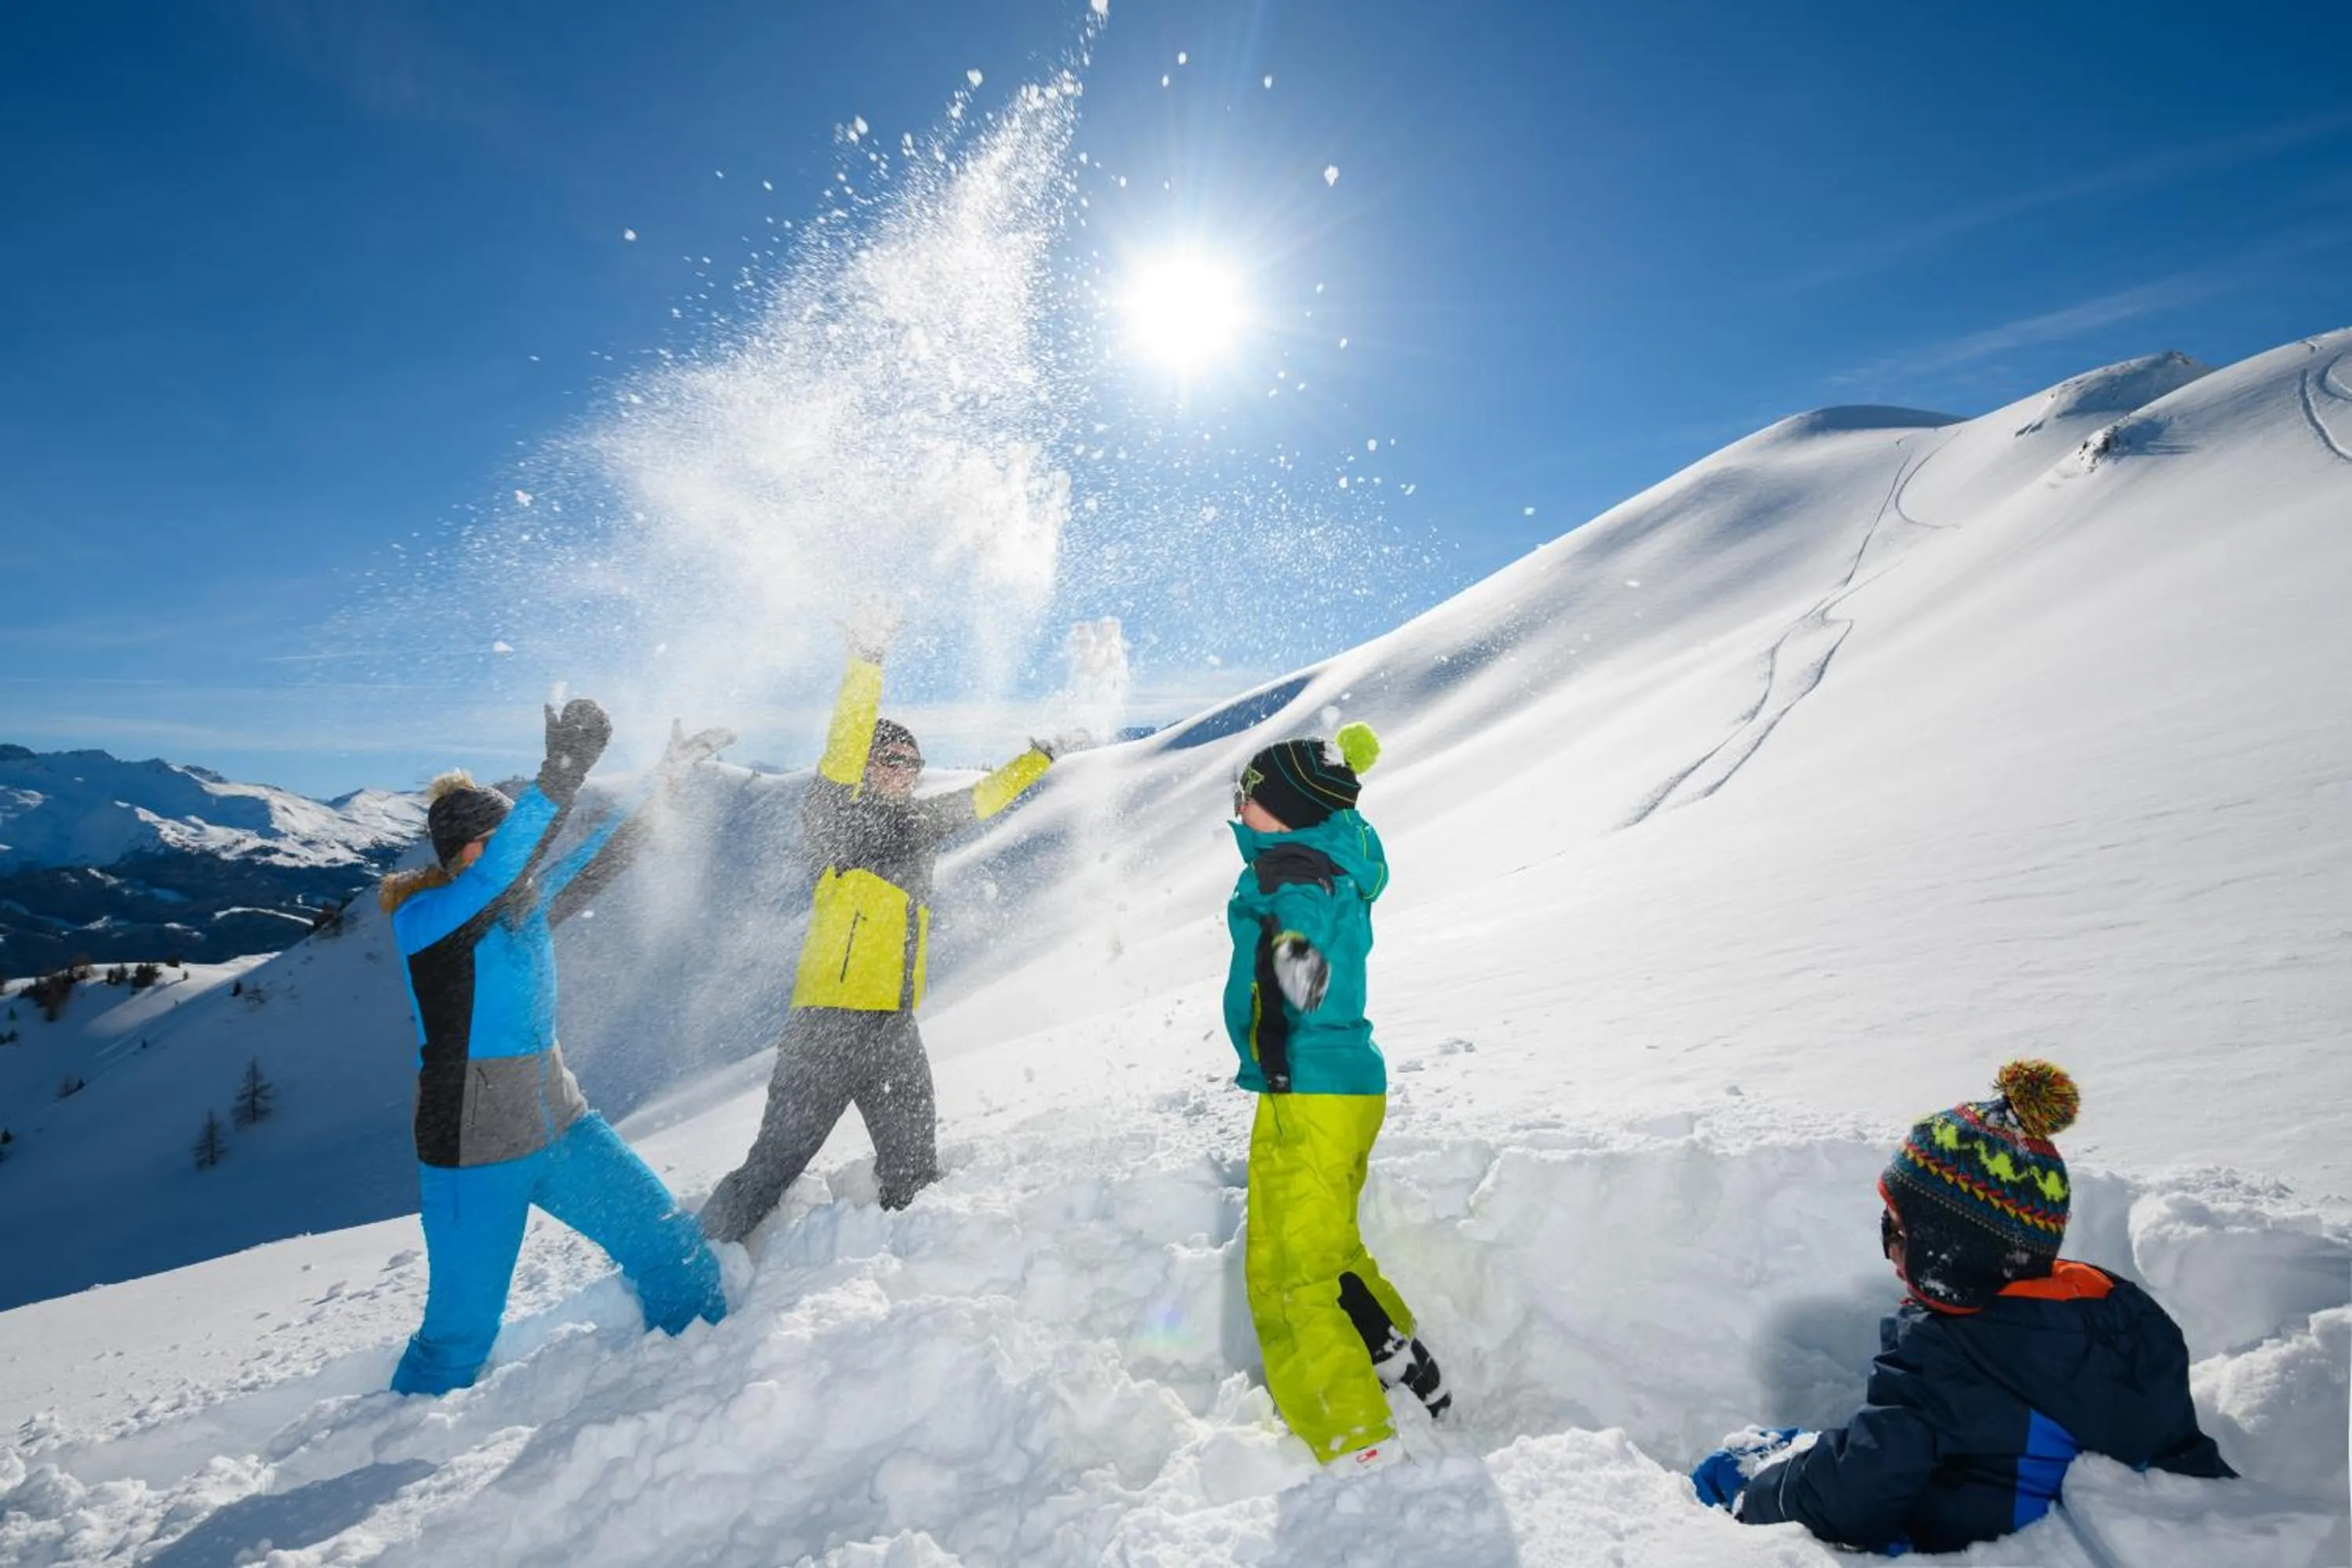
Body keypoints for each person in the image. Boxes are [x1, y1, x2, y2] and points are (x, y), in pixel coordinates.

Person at [1690, 1059, 2234, 1553]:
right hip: (2053, 1508)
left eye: (1898, 1232)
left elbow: (1853, 1497)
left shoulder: (1946, 1359)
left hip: (1978, 1545)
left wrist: (1754, 1494)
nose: (1890, 1249)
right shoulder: (2122, 1312)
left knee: (1735, 1468)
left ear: (1949, 1253)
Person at [378, 699, 731, 1395]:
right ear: (466, 853)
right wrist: (561, 772)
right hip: (471, 1153)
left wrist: (667, 780)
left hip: (562, 1125)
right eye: (503, 839)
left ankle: (701, 1388)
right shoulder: (427, 922)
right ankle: (387, 1456)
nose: (526, 855)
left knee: (673, 1256)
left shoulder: (522, 905)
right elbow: (499, 871)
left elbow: (604, 853)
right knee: (460, 1336)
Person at [699, 623, 1063, 1242]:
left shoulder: (918, 825)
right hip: (826, 1027)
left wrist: (1042, 757)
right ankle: (699, 1256)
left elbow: (982, 798)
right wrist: (867, 657)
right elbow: (845, 738)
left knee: (915, 1167)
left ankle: (904, 1281)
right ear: (866, 764)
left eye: (914, 763)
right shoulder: (836, 817)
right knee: (775, 1165)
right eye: (892, 759)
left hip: (893, 1026)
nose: (906, 771)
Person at [1222, 724, 1448, 1472]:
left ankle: (1352, 1437)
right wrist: (1344, 773)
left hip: (1308, 1091)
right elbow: (1342, 819)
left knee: (1289, 1273)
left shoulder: (1296, 872)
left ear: (1282, 810)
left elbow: (1304, 976)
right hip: (1350, 1082)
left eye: (1248, 796)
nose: (1239, 807)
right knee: (1330, 1248)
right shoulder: (1334, 850)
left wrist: (1290, 943)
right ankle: (1399, 1362)